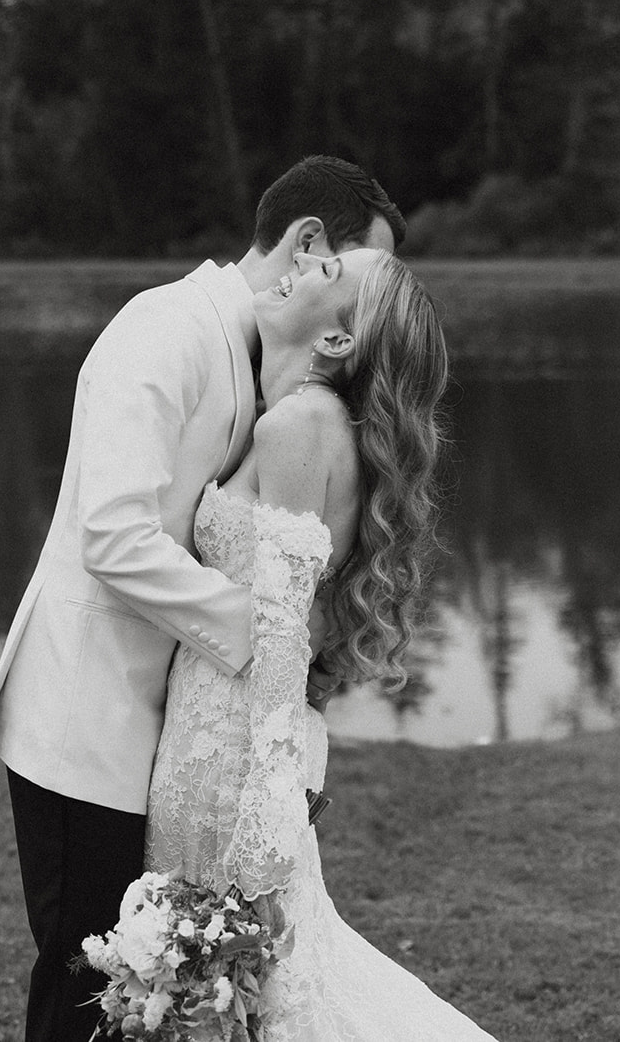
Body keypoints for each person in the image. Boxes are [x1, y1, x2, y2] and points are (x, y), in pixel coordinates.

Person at [0, 156, 404, 1042]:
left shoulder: (279, 377)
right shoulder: (162, 328)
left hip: (171, 742)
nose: (347, 291)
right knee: (86, 987)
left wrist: (273, 730)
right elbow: (115, 536)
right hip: (84, 724)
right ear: (308, 243)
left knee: (152, 997)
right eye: (353, 267)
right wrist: (268, 641)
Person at [146, 247, 498, 1039]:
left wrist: (268, 800)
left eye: (329, 267)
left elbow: (280, 624)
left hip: (233, 750)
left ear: (338, 343)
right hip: (231, 734)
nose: (304, 260)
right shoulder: (323, 426)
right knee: (232, 992)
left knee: (241, 994)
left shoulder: (300, 426)